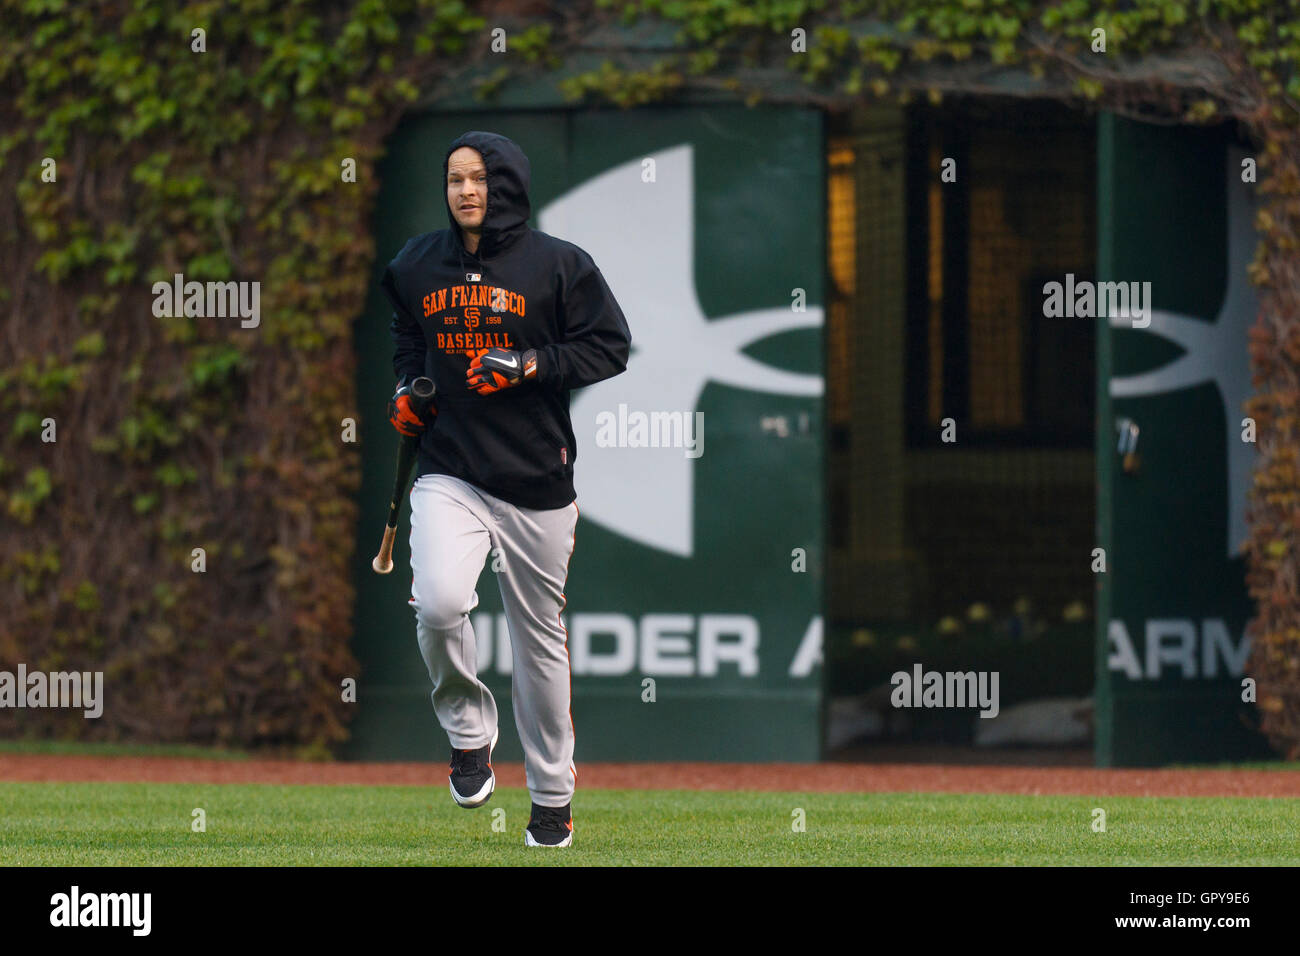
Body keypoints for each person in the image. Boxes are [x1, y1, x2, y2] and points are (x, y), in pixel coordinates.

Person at [380, 131, 631, 847]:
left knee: (537, 642)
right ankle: (468, 736)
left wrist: (528, 364)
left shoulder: (560, 265)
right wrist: (406, 389)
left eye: (481, 178)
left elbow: (607, 345)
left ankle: (552, 798)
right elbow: (407, 335)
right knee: (439, 603)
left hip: (535, 477)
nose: (466, 190)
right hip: (449, 468)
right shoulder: (417, 262)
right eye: (455, 178)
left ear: (510, 185)